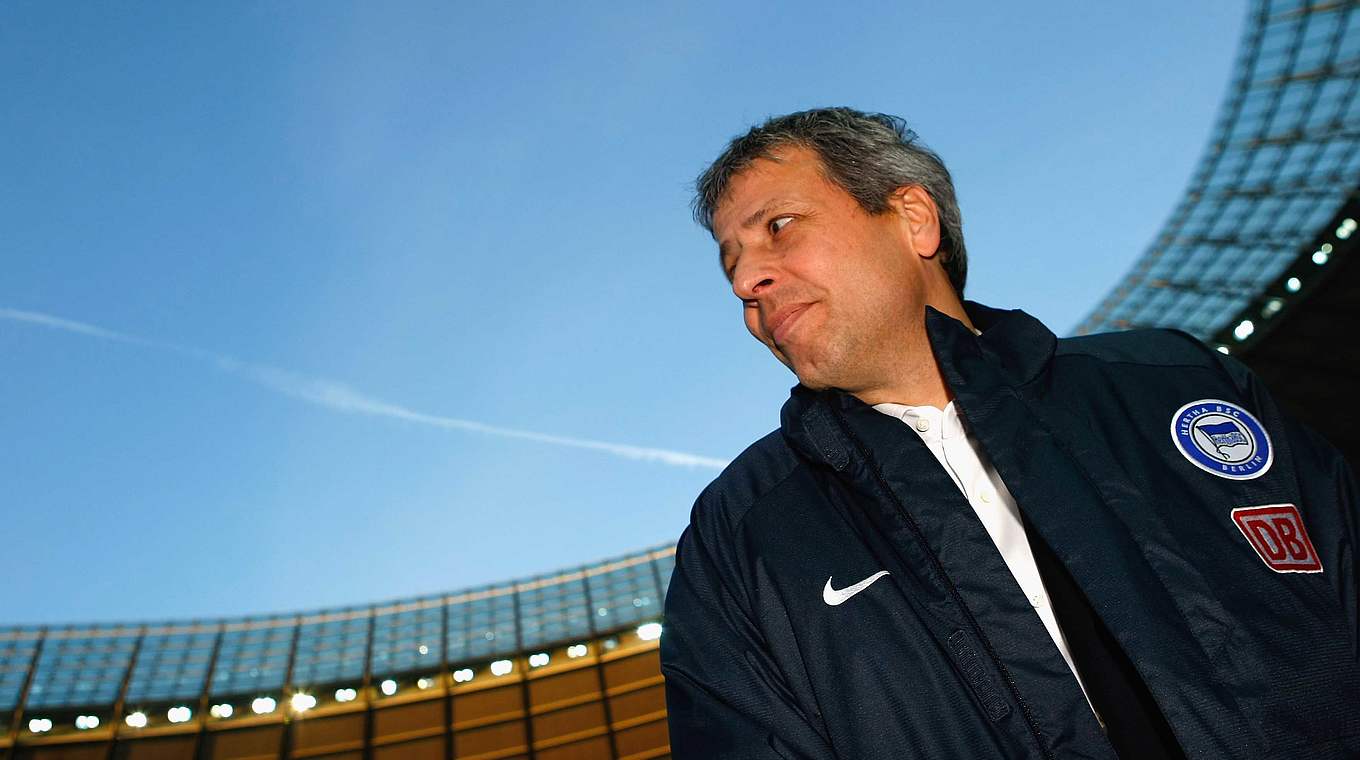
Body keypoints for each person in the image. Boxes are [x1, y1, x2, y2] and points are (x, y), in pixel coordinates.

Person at [659, 107, 1360, 759]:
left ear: (913, 220)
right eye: (732, 262)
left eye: (779, 226)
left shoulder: (1181, 386)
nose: (747, 278)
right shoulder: (740, 537)